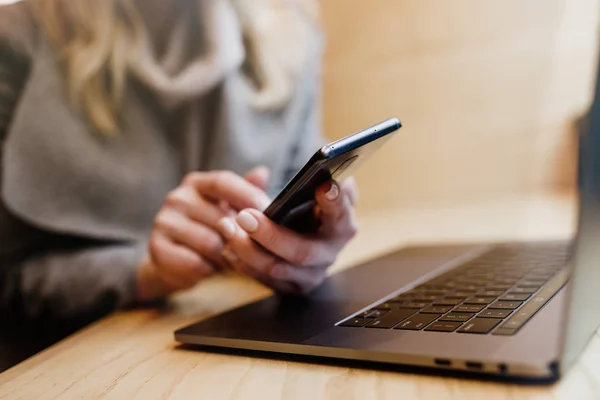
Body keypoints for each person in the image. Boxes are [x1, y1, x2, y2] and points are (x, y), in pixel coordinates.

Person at [0, 0, 358, 338]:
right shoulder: (16, 39)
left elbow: (301, 201)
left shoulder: (290, 33)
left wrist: (312, 238)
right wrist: (143, 273)